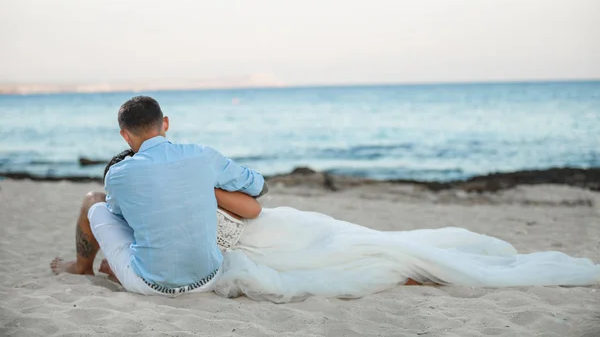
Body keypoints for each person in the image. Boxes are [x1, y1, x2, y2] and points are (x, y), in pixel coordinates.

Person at [97, 151, 600, 303]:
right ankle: (415, 270)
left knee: (351, 251)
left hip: (264, 233)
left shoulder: (133, 200)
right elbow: (251, 205)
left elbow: (244, 213)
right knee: (352, 249)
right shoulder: (196, 179)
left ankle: (415, 270)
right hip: (270, 228)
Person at [50, 96, 268, 296]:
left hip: (151, 286)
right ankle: (117, 268)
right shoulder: (203, 155)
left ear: (125, 135)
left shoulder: (118, 173)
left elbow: (117, 217)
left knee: (93, 202)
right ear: (165, 123)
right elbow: (257, 185)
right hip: (209, 279)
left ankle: (82, 267)